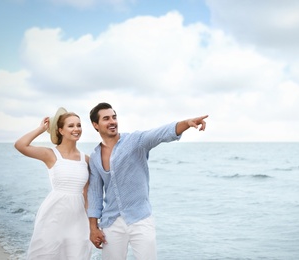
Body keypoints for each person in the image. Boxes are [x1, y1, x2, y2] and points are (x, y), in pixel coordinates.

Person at [87, 102, 208, 260]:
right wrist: (93, 227)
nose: (112, 121)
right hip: (111, 222)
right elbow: (95, 194)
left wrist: (185, 124)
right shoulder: (95, 157)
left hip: (140, 218)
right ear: (95, 125)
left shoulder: (135, 141)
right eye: (106, 118)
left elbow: (159, 134)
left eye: (114, 117)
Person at [14, 107, 93, 260]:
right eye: (71, 126)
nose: (76, 129)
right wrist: (42, 128)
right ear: (61, 130)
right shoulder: (50, 154)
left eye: (79, 125)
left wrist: (92, 223)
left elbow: (87, 193)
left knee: (77, 255)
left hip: (78, 217)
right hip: (53, 215)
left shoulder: (86, 159)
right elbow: (20, 145)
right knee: (46, 253)